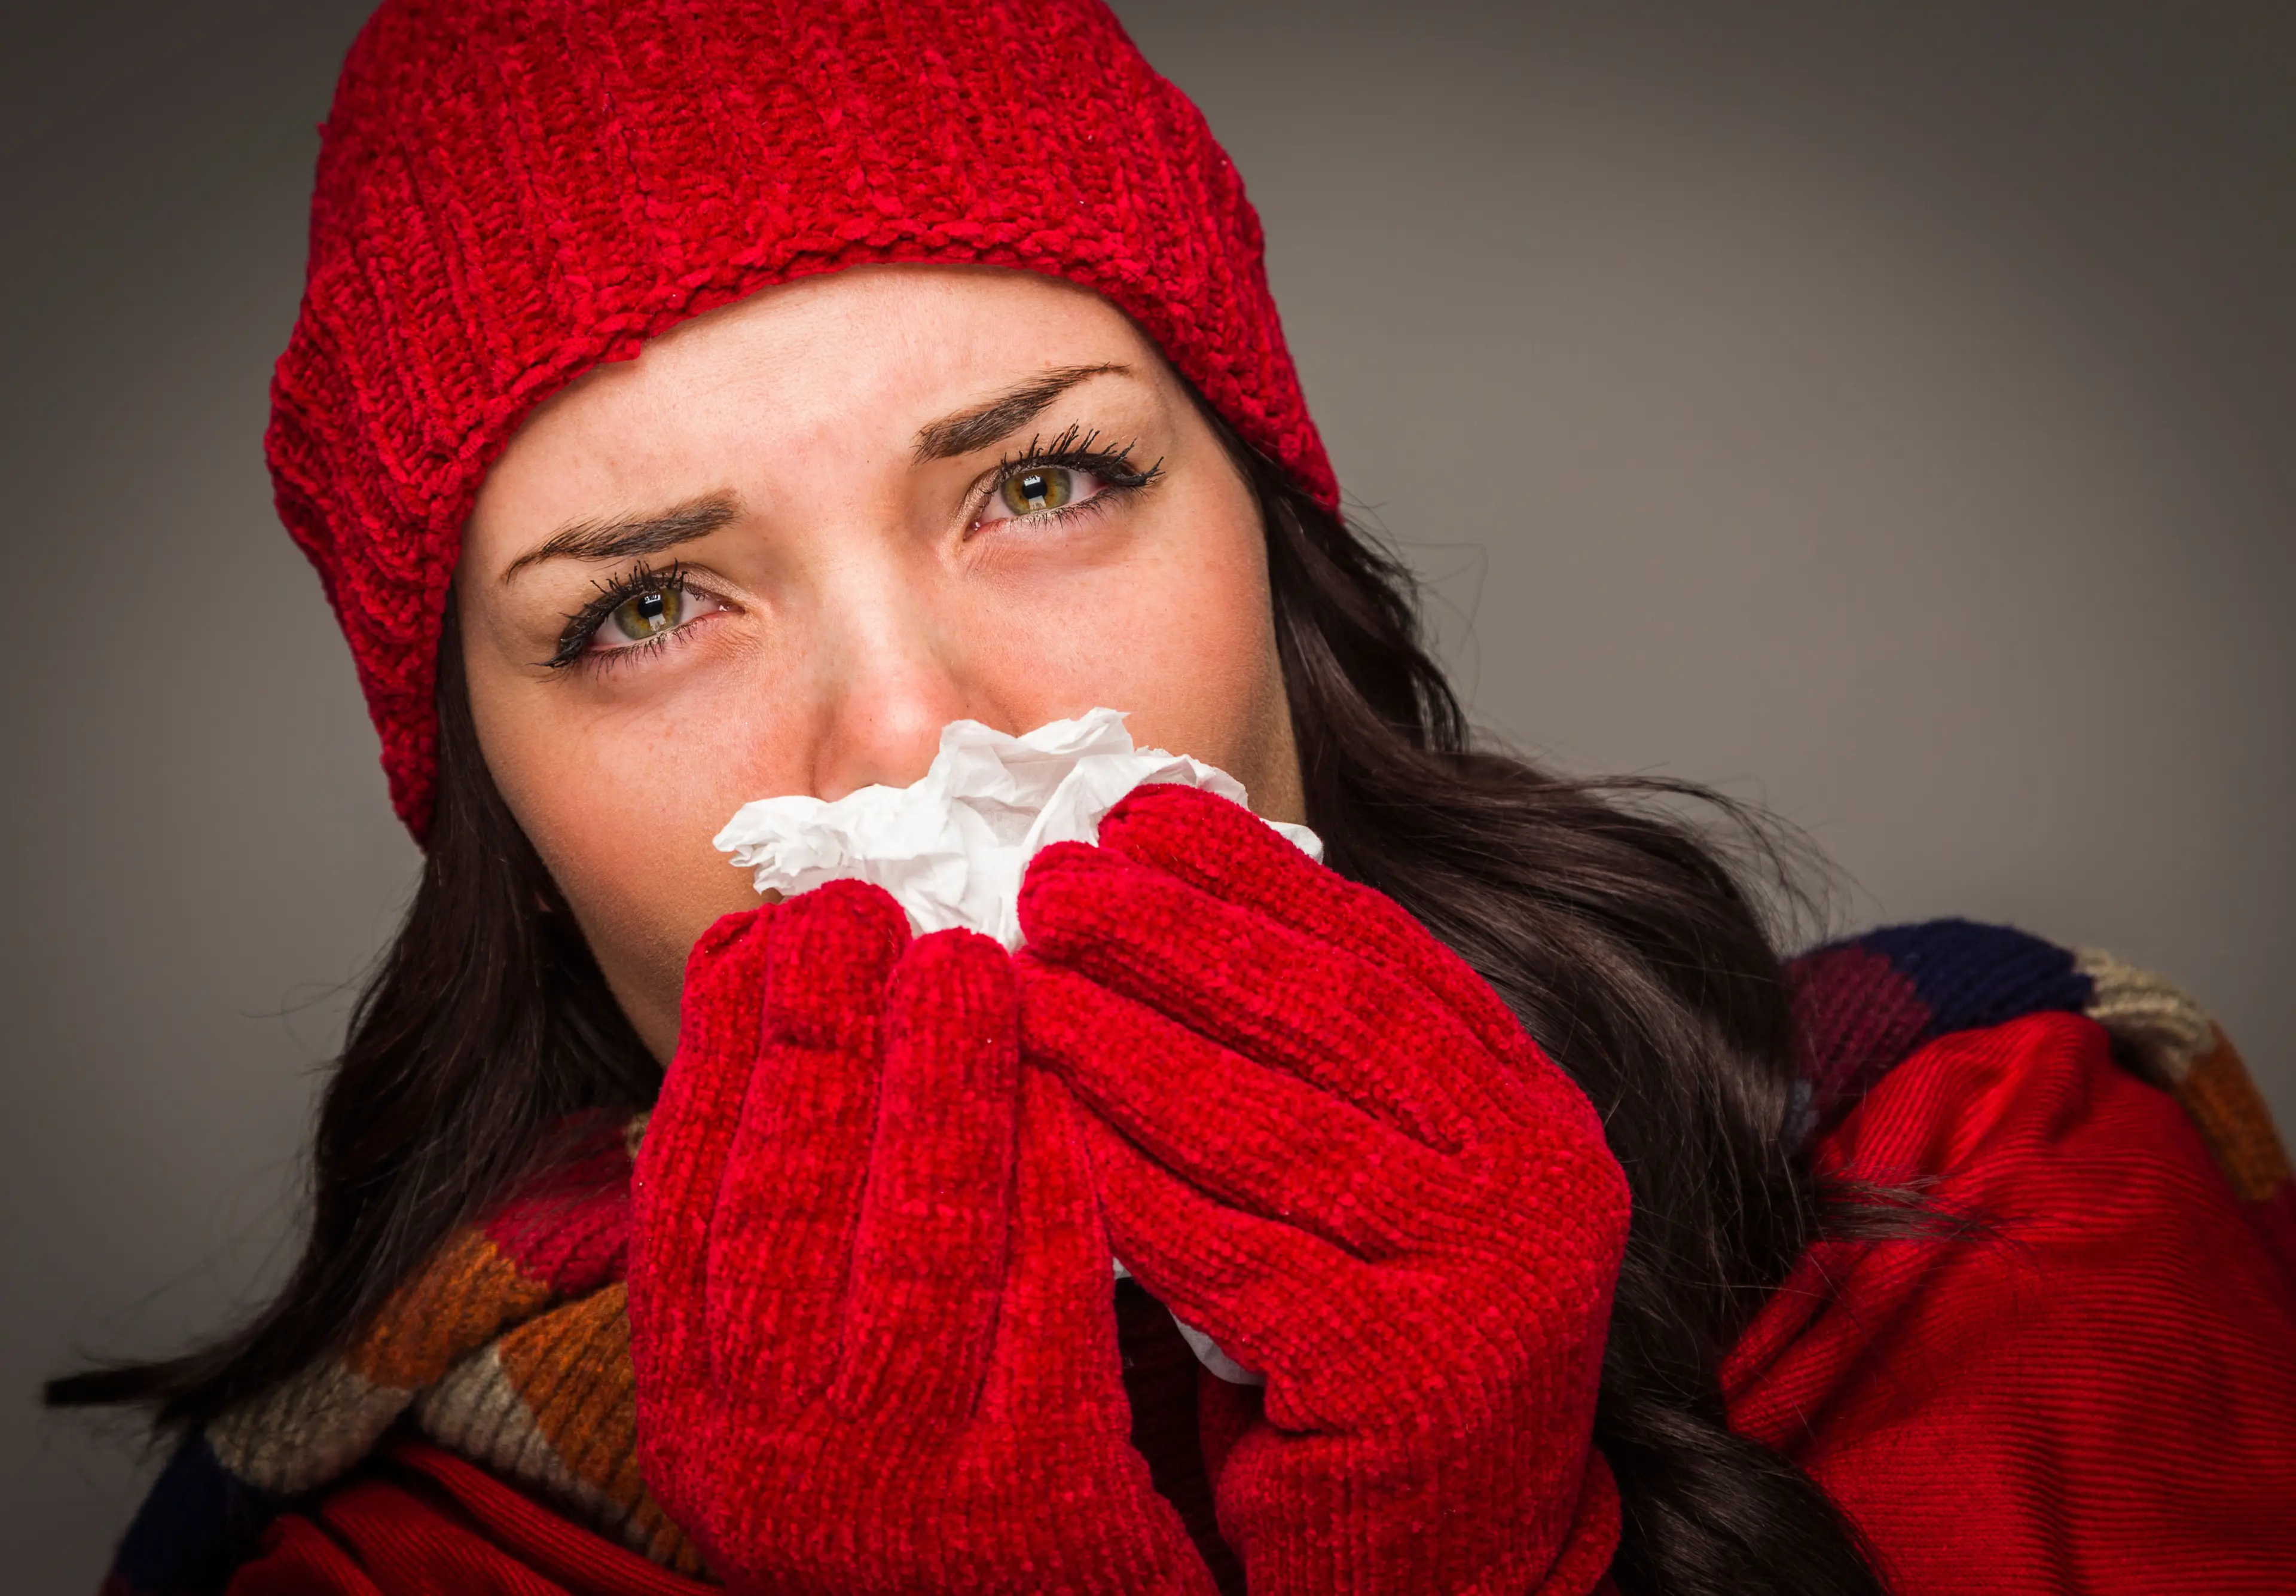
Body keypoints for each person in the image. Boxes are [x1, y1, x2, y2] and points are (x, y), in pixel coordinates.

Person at [51, 2, 2296, 1594]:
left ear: (1272, 545)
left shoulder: (1989, 1182)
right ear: (498, 818)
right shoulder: (376, 1550)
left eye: (1041, 482)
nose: (909, 730)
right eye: (645, 606)